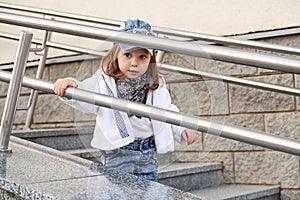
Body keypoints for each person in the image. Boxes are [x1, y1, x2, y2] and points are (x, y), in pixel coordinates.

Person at [53, 19, 196, 182]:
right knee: (115, 193)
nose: (134, 63)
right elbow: (87, 95)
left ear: (151, 59)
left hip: (147, 152)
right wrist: (72, 87)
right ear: (116, 55)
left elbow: (167, 109)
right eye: (128, 55)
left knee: (147, 192)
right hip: (117, 151)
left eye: (142, 56)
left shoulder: (156, 82)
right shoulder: (105, 80)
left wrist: (180, 128)